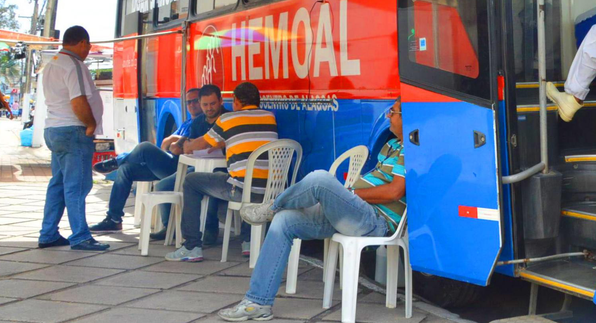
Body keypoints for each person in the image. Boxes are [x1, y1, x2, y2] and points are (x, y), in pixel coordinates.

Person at [218, 100, 405, 321]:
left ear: (407, 117)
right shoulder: (391, 145)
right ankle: (258, 302)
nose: (387, 117)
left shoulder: (412, 149)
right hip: (357, 212)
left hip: (375, 221)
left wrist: (352, 194)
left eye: (392, 112)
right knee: (284, 221)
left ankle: (273, 205)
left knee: (320, 179)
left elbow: (395, 191)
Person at [90, 86, 228, 234]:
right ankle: (114, 219)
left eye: (212, 104)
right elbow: (178, 145)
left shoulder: (227, 119)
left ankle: (170, 229)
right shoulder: (196, 122)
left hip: (196, 168)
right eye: (203, 104)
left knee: (145, 149)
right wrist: (183, 143)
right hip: (180, 163)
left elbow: (187, 146)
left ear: (220, 101)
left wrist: (187, 144)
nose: (207, 108)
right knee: (126, 170)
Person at [166, 81, 277, 262]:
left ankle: (192, 246)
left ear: (235, 101)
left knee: (191, 181)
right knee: (252, 182)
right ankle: (248, 241)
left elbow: (200, 143)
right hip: (270, 191)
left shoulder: (228, 119)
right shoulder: (269, 117)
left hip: (240, 191)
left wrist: (186, 145)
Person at [36, 25, 109, 252]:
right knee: (77, 186)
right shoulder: (73, 64)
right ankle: (80, 236)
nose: (88, 51)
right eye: (87, 46)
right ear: (82, 43)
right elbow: (78, 101)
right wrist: (90, 124)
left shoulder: (52, 64)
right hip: (73, 130)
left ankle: (48, 233)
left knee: (58, 184)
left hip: (55, 130)